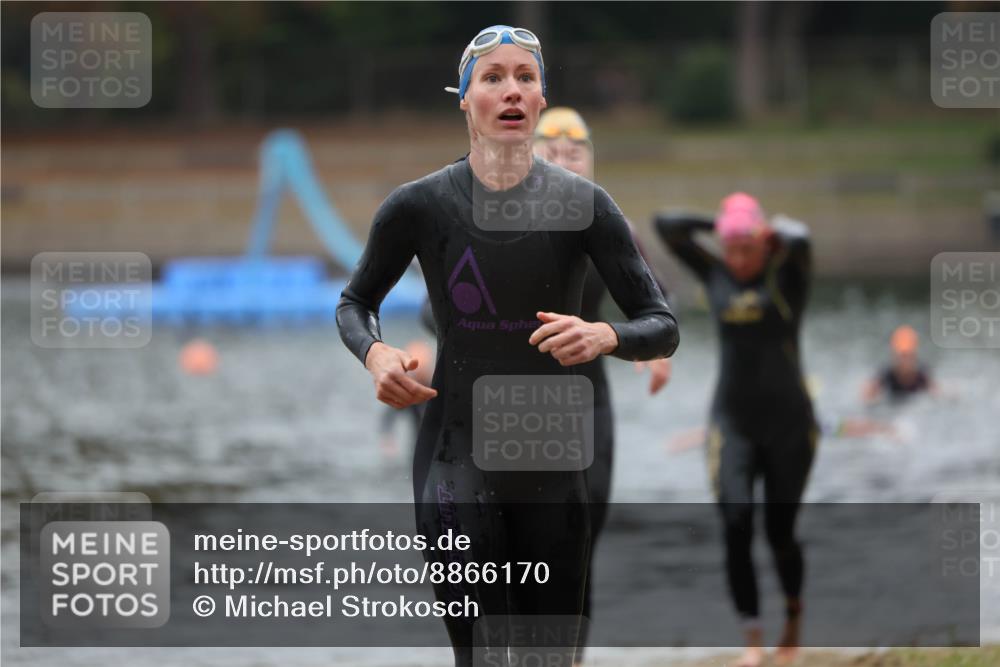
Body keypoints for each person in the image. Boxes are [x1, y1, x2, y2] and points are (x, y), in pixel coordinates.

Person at [337, 26, 679, 666]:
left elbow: (661, 323)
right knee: (482, 655)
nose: (511, 90)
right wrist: (376, 354)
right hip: (453, 456)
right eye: (492, 78)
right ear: (464, 99)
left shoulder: (587, 207)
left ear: (542, 98)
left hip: (552, 466)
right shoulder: (419, 206)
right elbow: (356, 303)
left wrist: (605, 334)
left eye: (525, 76)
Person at [532, 106, 672, 665]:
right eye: (553, 153)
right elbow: (432, 310)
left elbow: (657, 308)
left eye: (575, 154)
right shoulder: (491, 219)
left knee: (580, 545)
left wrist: (643, 347)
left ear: (590, 162)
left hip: (587, 405)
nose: (564, 163)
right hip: (509, 405)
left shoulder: (607, 223)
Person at [655, 194, 816, 667]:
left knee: (780, 532)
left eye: (748, 249)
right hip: (732, 424)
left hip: (791, 426)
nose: (739, 260)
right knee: (735, 522)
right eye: (732, 248)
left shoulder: (787, 275)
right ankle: (752, 638)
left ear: (766, 245)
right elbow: (667, 223)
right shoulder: (716, 272)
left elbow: (801, 237)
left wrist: (764, 229)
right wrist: (724, 224)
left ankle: (792, 619)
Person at [378, 340, 434, 458]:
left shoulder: (437, 387)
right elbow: (388, 417)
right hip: (418, 446)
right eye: (416, 371)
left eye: (423, 369)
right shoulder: (408, 392)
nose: (419, 373)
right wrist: (387, 438)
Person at [862, 325, 937, 404]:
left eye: (909, 356)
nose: (905, 361)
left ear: (915, 356)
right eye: (902, 356)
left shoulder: (922, 374)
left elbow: (936, 395)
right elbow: (866, 397)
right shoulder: (886, 374)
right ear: (894, 356)